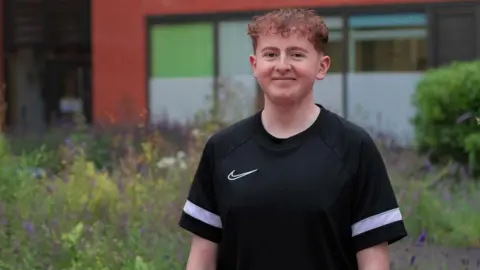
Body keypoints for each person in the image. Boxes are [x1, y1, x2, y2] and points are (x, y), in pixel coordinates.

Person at [178, 8, 407, 270]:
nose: (282, 65)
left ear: (321, 67)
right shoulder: (222, 149)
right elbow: (202, 258)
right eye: (271, 54)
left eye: (296, 54)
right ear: (255, 65)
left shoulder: (354, 148)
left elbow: (374, 262)